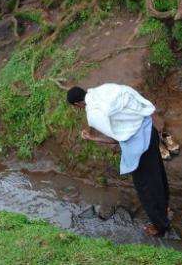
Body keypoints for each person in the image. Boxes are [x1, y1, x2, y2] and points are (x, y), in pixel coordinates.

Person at [67, 84, 170, 237]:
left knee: (146, 188)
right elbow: (128, 94)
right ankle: (165, 207)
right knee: (158, 174)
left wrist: (92, 137)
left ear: (77, 104)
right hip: (149, 130)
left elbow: (117, 138)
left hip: (141, 149)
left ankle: (160, 226)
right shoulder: (102, 89)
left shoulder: (93, 114)